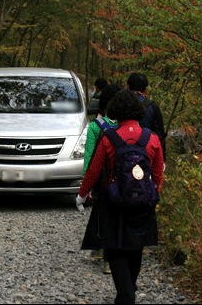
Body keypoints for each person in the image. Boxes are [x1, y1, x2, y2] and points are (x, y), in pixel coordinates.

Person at [78, 89, 164, 304]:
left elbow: (94, 170)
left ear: (116, 110)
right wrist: (149, 196)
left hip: (113, 202)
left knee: (115, 248)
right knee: (136, 247)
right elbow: (158, 174)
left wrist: (82, 194)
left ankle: (126, 295)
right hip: (143, 205)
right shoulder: (152, 139)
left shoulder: (109, 139)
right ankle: (128, 291)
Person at [83, 84, 123, 274]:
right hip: (122, 178)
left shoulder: (95, 126)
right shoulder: (127, 127)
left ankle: (101, 250)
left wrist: (86, 184)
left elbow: (89, 156)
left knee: (101, 212)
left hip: (101, 179)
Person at [127, 73, 167, 163]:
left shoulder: (120, 105)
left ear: (128, 87)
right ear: (146, 89)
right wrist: (162, 158)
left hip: (122, 157)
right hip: (147, 157)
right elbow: (159, 134)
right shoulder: (152, 107)